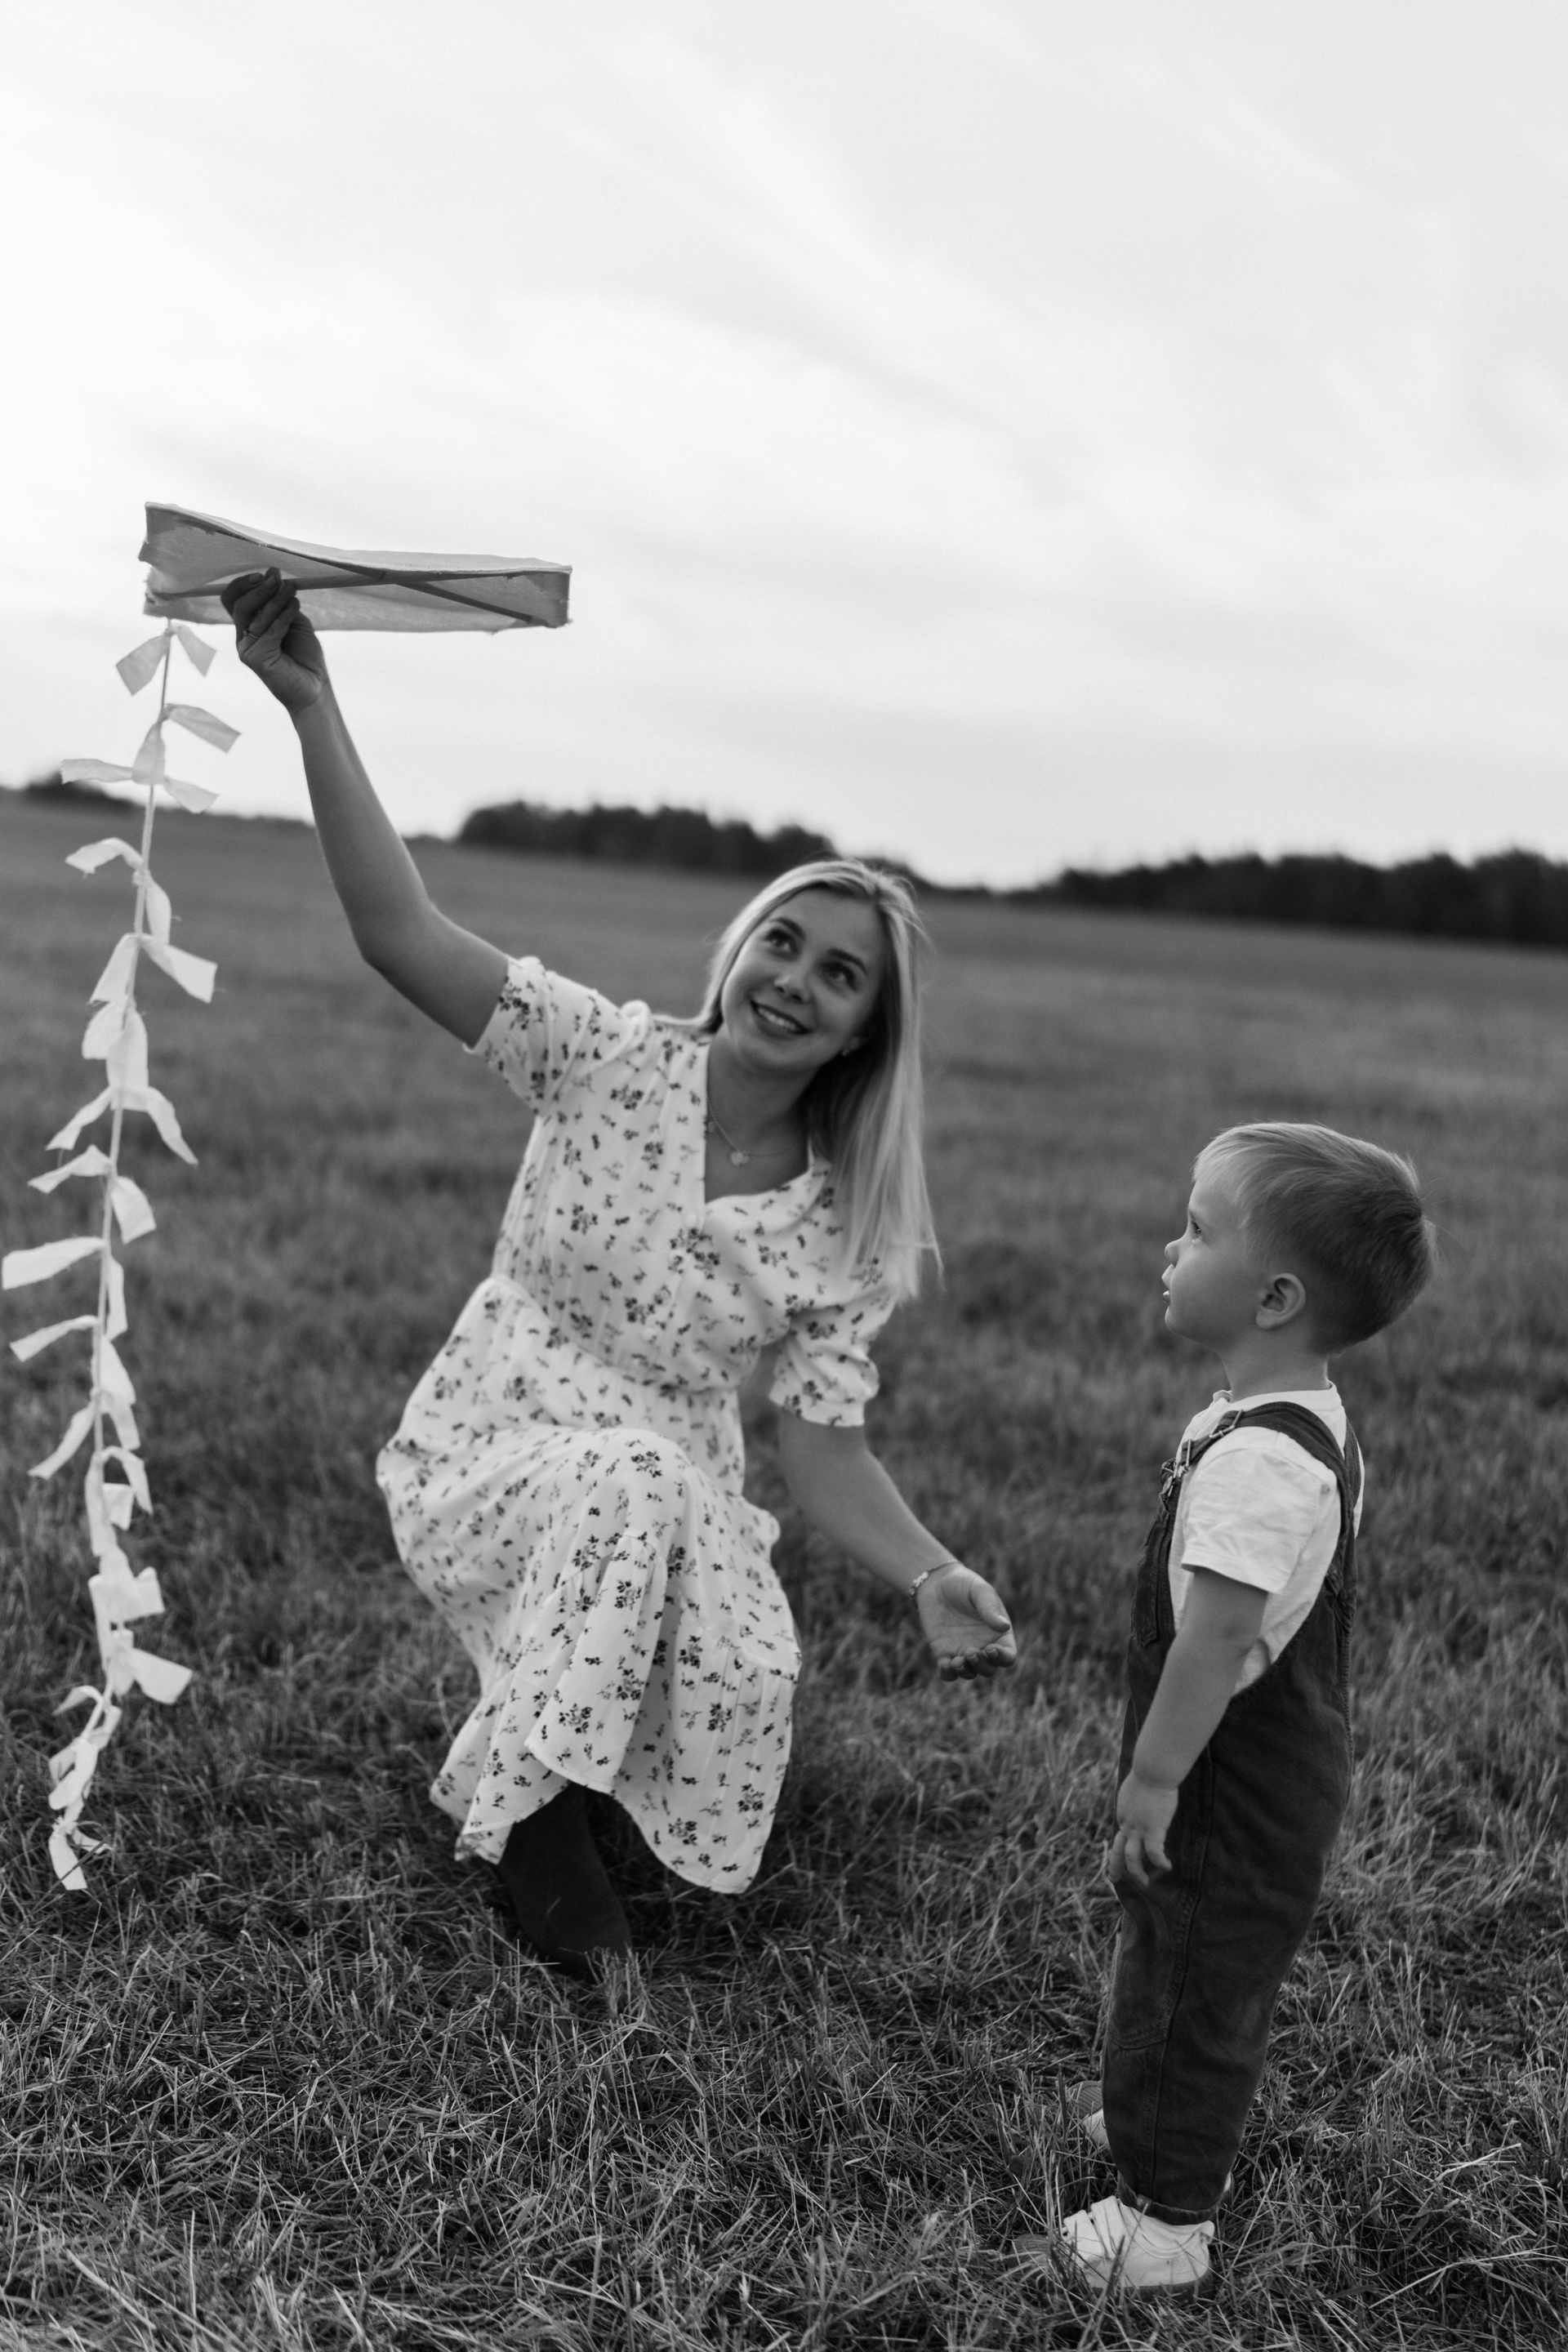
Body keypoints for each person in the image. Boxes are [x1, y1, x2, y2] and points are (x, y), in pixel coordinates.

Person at [221, 568, 1018, 1973]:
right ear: (739, 950)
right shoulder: (602, 1056)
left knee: (718, 1618)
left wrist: (929, 1572)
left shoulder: (843, 1227)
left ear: (861, 1036)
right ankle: (536, 1829)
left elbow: (822, 1448)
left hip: (671, 1493)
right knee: (626, 1480)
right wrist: (313, 708)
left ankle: (567, 1761)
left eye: (840, 976)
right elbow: (401, 933)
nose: (797, 979)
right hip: (496, 1441)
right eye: (784, 941)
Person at [1018, 1123, 1435, 2297]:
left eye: (1197, 1231)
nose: (1171, 1246)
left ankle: (1166, 2221)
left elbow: (1215, 1638)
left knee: (1196, 1975)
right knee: (1167, 1946)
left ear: (1275, 1297)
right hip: (1249, 1754)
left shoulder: (1262, 1463)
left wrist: (1154, 1778)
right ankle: (1141, 2101)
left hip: (1232, 1773)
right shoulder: (1289, 1416)